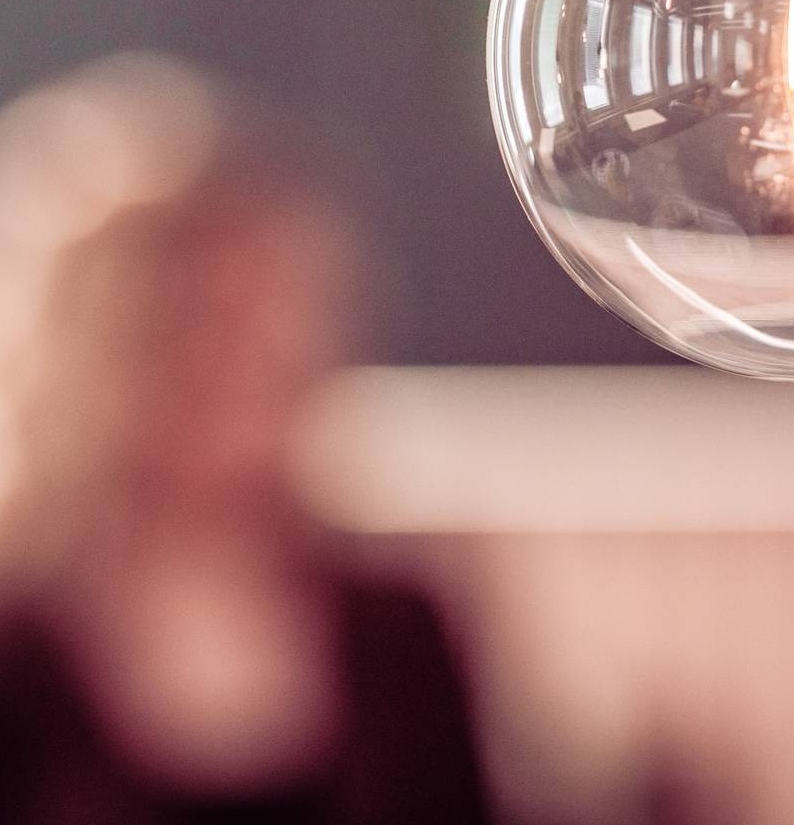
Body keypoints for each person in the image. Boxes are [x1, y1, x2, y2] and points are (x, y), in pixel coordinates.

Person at [0, 53, 491, 824]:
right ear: (94, 345)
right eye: (204, 323)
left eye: (279, 322)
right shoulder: (21, 644)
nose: (254, 368)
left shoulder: (396, 628)